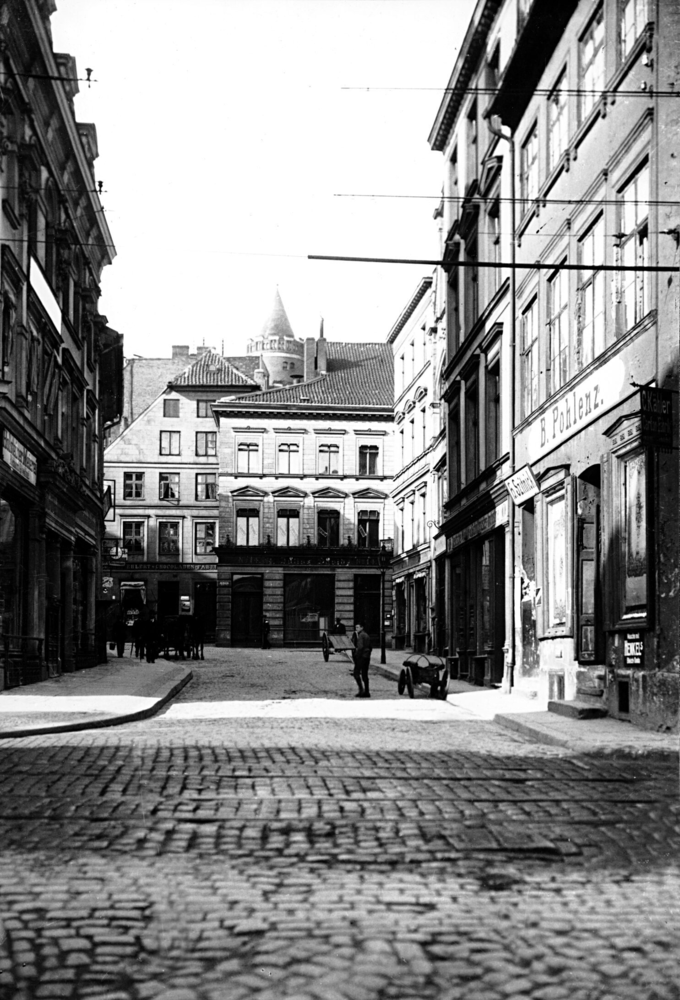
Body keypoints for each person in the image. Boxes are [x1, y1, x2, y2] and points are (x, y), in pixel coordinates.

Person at [352, 620, 372, 698]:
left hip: (361, 657)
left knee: (356, 673)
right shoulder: (366, 635)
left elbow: (360, 647)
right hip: (367, 657)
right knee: (364, 674)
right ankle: (367, 691)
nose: (356, 629)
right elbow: (370, 647)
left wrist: (357, 656)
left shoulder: (361, 635)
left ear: (362, 628)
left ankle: (361, 690)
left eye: (357, 627)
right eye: (355, 627)